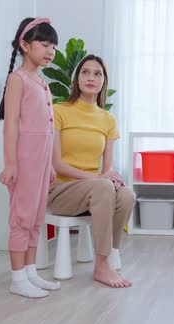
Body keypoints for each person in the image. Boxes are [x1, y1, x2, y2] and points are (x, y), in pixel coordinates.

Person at [48, 55, 135, 288]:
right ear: (77, 79)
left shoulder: (108, 119)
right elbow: (58, 164)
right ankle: (102, 265)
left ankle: (111, 252)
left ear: (103, 82)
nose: (91, 78)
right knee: (104, 185)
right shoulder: (59, 111)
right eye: (85, 72)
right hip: (60, 191)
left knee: (127, 194)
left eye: (98, 74)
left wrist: (111, 177)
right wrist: (100, 179)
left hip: (94, 190)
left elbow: (107, 169)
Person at [0, 17, 60, 298]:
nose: (50, 51)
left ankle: (31, 272)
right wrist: (10, 162)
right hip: (24, 158)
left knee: (36, 217)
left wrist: (49, 167)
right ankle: (17, 277)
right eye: (44, 44)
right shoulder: (17, 79)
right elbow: (10, 123)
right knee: (21, 217)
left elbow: (48, 128)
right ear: (24, 44)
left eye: (53, 46)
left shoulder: (41, 81)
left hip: (41, 160)